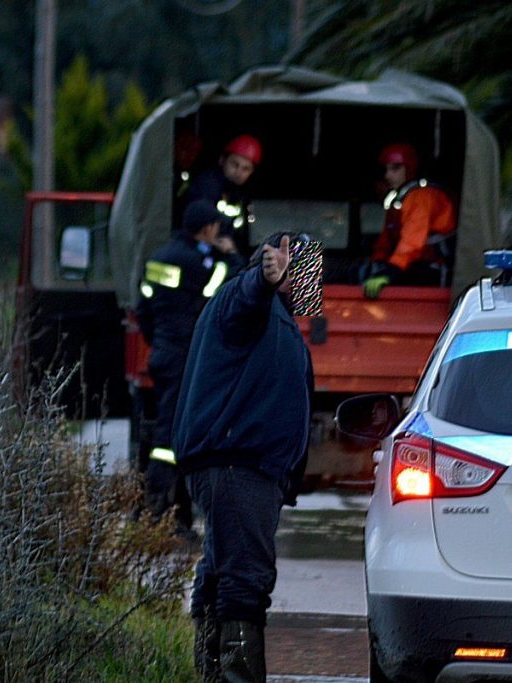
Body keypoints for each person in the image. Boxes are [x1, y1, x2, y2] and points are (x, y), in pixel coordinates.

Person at [173, 232, 313, 683]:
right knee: (245, 575)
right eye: (303, 271)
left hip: (245, 465)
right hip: (237, 464)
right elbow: (246, 298)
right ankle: (234, 674)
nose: (310, 283)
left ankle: (211, 670)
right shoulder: (247, 300)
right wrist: (263, 278)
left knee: (222, 569)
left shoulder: (280, 319)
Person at [134, 199, 246, 533]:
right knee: (171, 436)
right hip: (185, 356)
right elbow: (231, 287)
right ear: (208, 228)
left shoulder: (160, 257)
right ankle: (157, 512)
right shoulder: (202, 263)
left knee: (168, 429)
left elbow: (143, 308)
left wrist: (159, 340)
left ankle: (170, 514)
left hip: (164, 352)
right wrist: (231, 255)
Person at [361, 143, 457, 298]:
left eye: (395, 169)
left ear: (409, 168)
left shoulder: (422, 197)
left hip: (430, 272)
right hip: (408, 266)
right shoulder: (399, 199)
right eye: (386, 170)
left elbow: (412, 243)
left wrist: (389, 271)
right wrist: (377, 261)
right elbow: (386, 239)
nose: (388, 176)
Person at [184, 134, 263, 255]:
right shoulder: (207, 185)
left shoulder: (240, 192)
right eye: (234, 164)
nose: (238, 172)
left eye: (246, 169)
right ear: (222, 160)